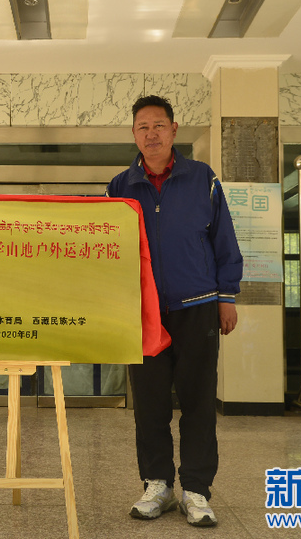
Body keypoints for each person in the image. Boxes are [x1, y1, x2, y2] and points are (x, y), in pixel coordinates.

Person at [107, 95, 243, 527]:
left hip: (198, 307)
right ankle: (158, 485)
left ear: (174, 130)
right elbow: (109, 250)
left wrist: (227, 297)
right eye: (143, 127)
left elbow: (223, 239)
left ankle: (196, 490)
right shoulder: (120, 187)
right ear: (133, 134)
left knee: (198, 403)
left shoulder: (203, 178)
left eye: (159, 125)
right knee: (149, 404)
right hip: (143, 312)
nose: (151, 134)